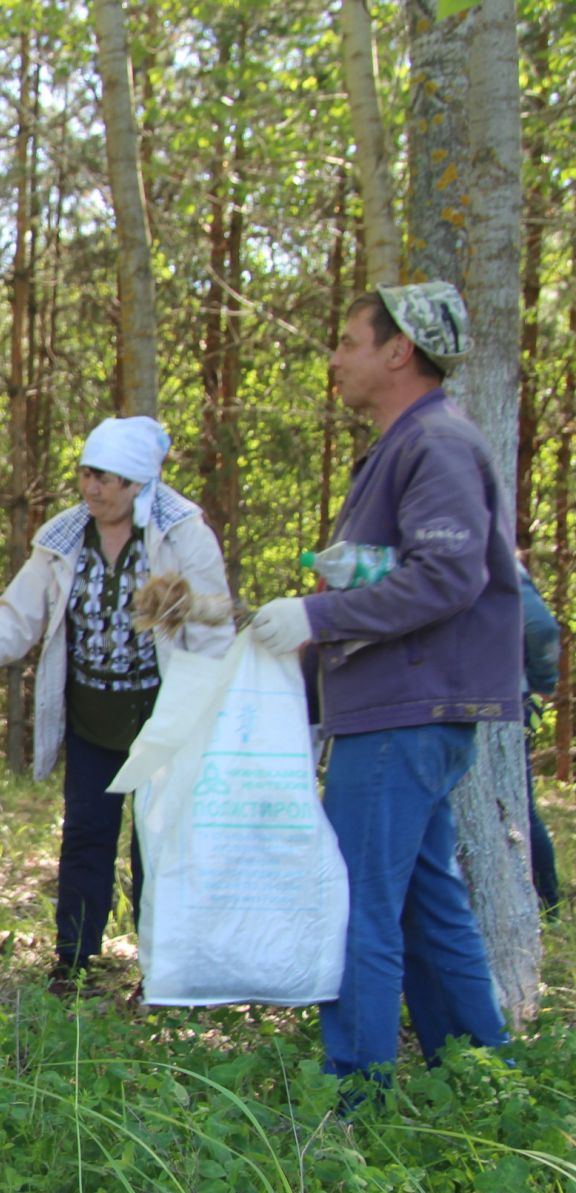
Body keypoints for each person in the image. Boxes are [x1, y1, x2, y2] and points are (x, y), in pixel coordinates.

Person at [251, 281, 513, 1086]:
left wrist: (318, 620)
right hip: (401, 707)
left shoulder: (433, 443)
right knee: (425, 907)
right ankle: (480, 1084)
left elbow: (446, 577)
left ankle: (354, 1098)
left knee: (355, 900)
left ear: (399, 351)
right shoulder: (405, 446)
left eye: (349, 342)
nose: (334, 359)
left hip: (405, 711)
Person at [0, 416, 232, 990]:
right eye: (87, 473)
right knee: (86, 836)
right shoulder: (65, 536)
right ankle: (73, 963)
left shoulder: (183, 535)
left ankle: (163, 971)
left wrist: (211, 707)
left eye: (108, 478)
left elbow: (214, 623)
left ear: (139, 484)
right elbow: (20, 612)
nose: (93, 488)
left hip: (162, 721)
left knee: (158, 843)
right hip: (92, 718)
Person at [520, 565, 560, 913]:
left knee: (520, 806)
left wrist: (540, 684)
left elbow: (543, 628)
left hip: (505, 704)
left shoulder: (490, 551)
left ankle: (550, 905)